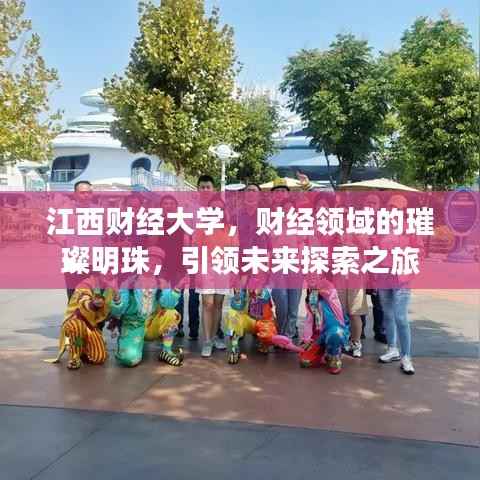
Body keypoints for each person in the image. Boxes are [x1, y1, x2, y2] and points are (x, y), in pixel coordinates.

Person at [377, 194, 421, 375]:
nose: (393, 211)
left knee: (400, 317)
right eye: (390, 207)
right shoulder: (381, 227)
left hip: (401, 278)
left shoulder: (410, 228)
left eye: (397, 208)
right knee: (387, 314)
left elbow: (419, 251)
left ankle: (406, 356)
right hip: (383, 276)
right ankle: (392, 349)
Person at [195, 195, 238, 357]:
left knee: (218, 305)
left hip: (224, 269)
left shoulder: (231, 229)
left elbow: (234, 251)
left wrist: (233, 273)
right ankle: (207, 341)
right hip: (206, 268)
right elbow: (196, 250)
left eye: (220, 209)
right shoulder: (201, 228)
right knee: (207, 304)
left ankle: (213, 338)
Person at [44, 274, 114, 370]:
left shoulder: (112, 287)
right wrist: (93, 304)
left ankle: (86, 347)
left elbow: (116, 309)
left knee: (99, 358)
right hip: (77, 321)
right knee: (77, 328)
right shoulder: (86, 284)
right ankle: (75, 356)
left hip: (92, 327)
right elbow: (83, 301)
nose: (109, 274)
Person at [299, 279, 350, 374]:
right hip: (319, 336)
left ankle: (334, 356)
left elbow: (328, 290)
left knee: (336, 334)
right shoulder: (312, 298)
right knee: (305, 361)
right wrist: (306, 339)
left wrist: (318, 283)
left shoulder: (331, 295)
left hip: (333, 331)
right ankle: (324, 353)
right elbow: (309, 320)